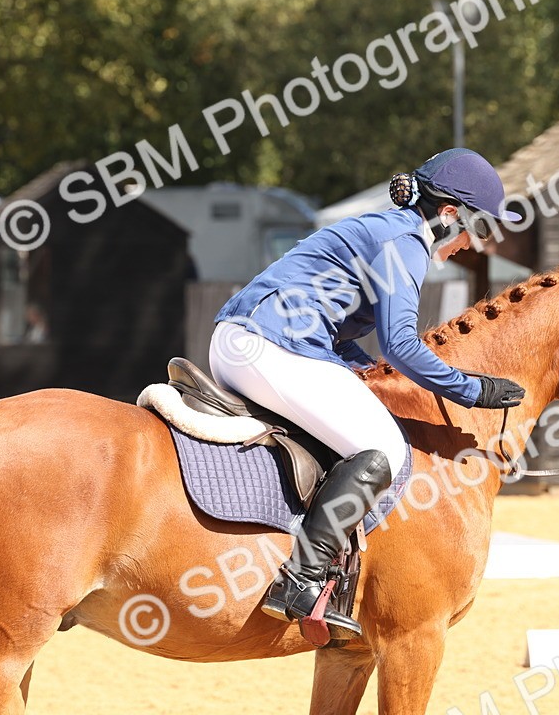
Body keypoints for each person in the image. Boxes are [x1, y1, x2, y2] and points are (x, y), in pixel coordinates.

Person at [209, 148, 526, 640]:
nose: (473, 245)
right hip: (270, 345)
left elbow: (346, 337)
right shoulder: (406, 242)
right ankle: (301, 579)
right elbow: (399, 344)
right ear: (447, 216)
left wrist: (368, 369)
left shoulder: (385, 229)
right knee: (383, 449)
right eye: (476, 228)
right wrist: (471, 389)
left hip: (246, 339)